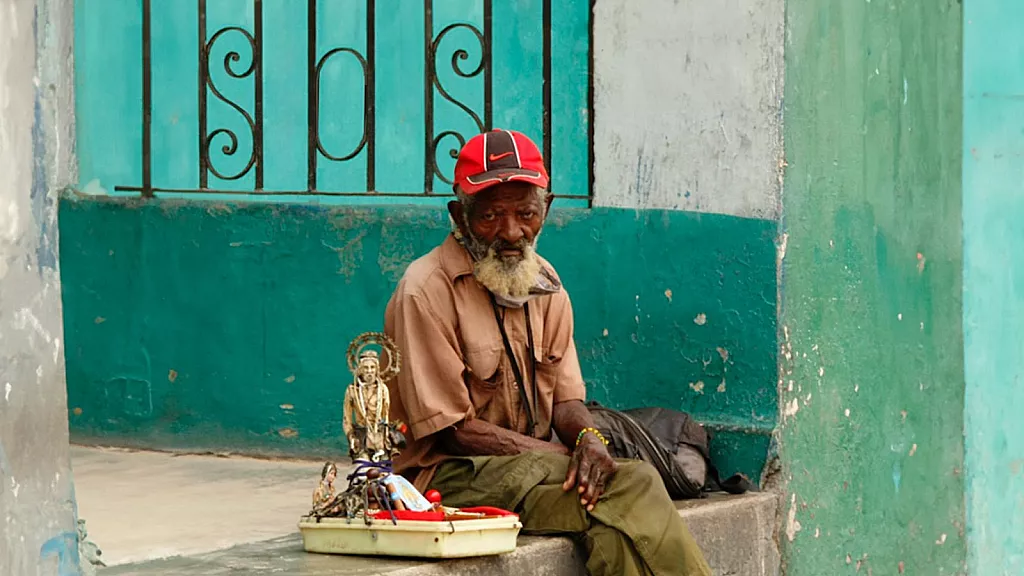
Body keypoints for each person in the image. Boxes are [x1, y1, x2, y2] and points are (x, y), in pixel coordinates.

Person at [384, 129, 711, 576]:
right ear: (459, 216)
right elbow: (453, 433)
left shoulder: (547, 284)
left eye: (525, 213)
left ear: (547, 210)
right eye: (490, 216)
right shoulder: (425, 290)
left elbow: (566, 401)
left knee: (613, 529)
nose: (511, 232)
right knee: (633, 483)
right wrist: (563, 456)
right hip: (449, 478)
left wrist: (588, 440)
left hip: (526, 472)